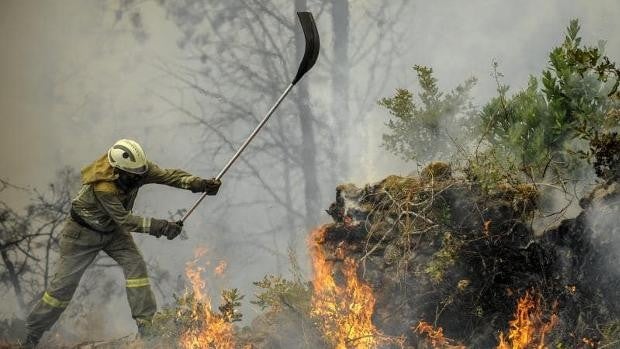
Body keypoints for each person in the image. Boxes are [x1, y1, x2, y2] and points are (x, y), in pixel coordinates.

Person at [23, 139, 221, 347]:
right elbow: (125, 220)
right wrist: (161, 227)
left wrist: (199, 184)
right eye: (132, 176)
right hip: (81, 235)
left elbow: (169, 176)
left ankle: (147, 328)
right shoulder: (103, 186)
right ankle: (31, 335)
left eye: (141, 173)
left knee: (136, 267)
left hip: (113, 231)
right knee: (62, 289)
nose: (138, 178)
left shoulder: (139, 169)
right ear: (117, 171)